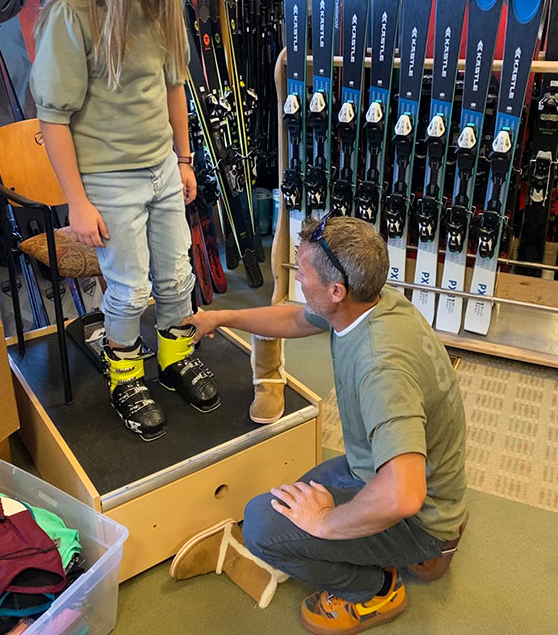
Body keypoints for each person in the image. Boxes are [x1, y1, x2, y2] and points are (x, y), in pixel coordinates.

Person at [170, 216, 467, 633]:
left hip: (419, 515)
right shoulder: (373, 301)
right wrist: (222, 319)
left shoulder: (380, 367)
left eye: (302, 272)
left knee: (263, 525)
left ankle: (376, 588)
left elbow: (404, 494)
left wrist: (325, 523)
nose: (296, 278)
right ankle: (426, 543)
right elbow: (294, 320)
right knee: (291, 498)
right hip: (394, 473)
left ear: (336, 290)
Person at [30, 0, 219, 443]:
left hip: (162, 166)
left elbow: (173, 87)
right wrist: (77, 202)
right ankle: (126, 379)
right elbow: (53, 118)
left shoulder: (160, 2)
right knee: (130, 290)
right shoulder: (72, 14)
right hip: (108, 181)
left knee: (178, 277)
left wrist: (184, 161)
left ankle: (175, 357)